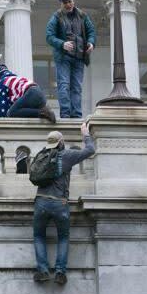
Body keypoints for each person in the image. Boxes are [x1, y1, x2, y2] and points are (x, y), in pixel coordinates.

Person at [32, 119, 95, 284]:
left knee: (39, 236)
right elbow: (90, 150)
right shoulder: (66, 155)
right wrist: (85, 134)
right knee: (63, 237)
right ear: (61, 142)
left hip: (41, 202)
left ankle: (43, 271)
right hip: (60, 203)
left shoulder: (41, 155)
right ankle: (60, 272)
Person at [45, 0, 96, 119]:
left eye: (70, 1)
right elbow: (49, 36)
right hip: (63, 57)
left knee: (77, 87)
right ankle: (65, 114)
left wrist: (91, 42)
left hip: (79, 56)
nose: (68, 4)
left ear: (73, 1)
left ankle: (77, 115)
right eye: (65, 2)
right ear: (61, 4)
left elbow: (91, 31)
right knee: (64, 85)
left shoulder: (82, 15)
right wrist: (62, 44)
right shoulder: (56, 17)